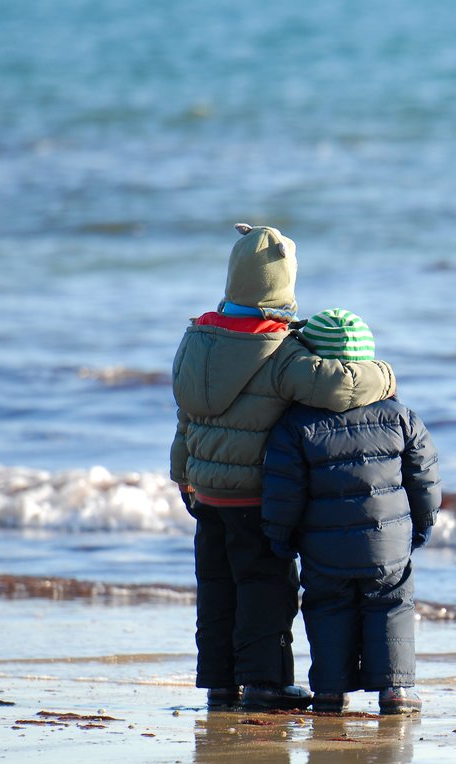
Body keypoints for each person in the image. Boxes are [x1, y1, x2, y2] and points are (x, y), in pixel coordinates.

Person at [170, 225, 398, 711]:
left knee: (216, 588)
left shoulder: (196, 338)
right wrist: (386, 373)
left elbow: (186, 414)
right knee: (266, 589)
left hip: (205, 490)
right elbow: (338, 387)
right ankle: (264, 683)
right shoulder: (280, 350)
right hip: (256, 494)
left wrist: (182, 474)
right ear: (283, 289)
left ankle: (220, 683)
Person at [261, 308, 441, 716]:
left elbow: (283, 489)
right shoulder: (400, 416)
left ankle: (328, 691)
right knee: (391, 604)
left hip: (323, 546)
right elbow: (424, 478)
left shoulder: (295, 424)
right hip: (388, 543)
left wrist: (280, 533)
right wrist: (424, 522)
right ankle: (395, 690)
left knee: (327, 607)